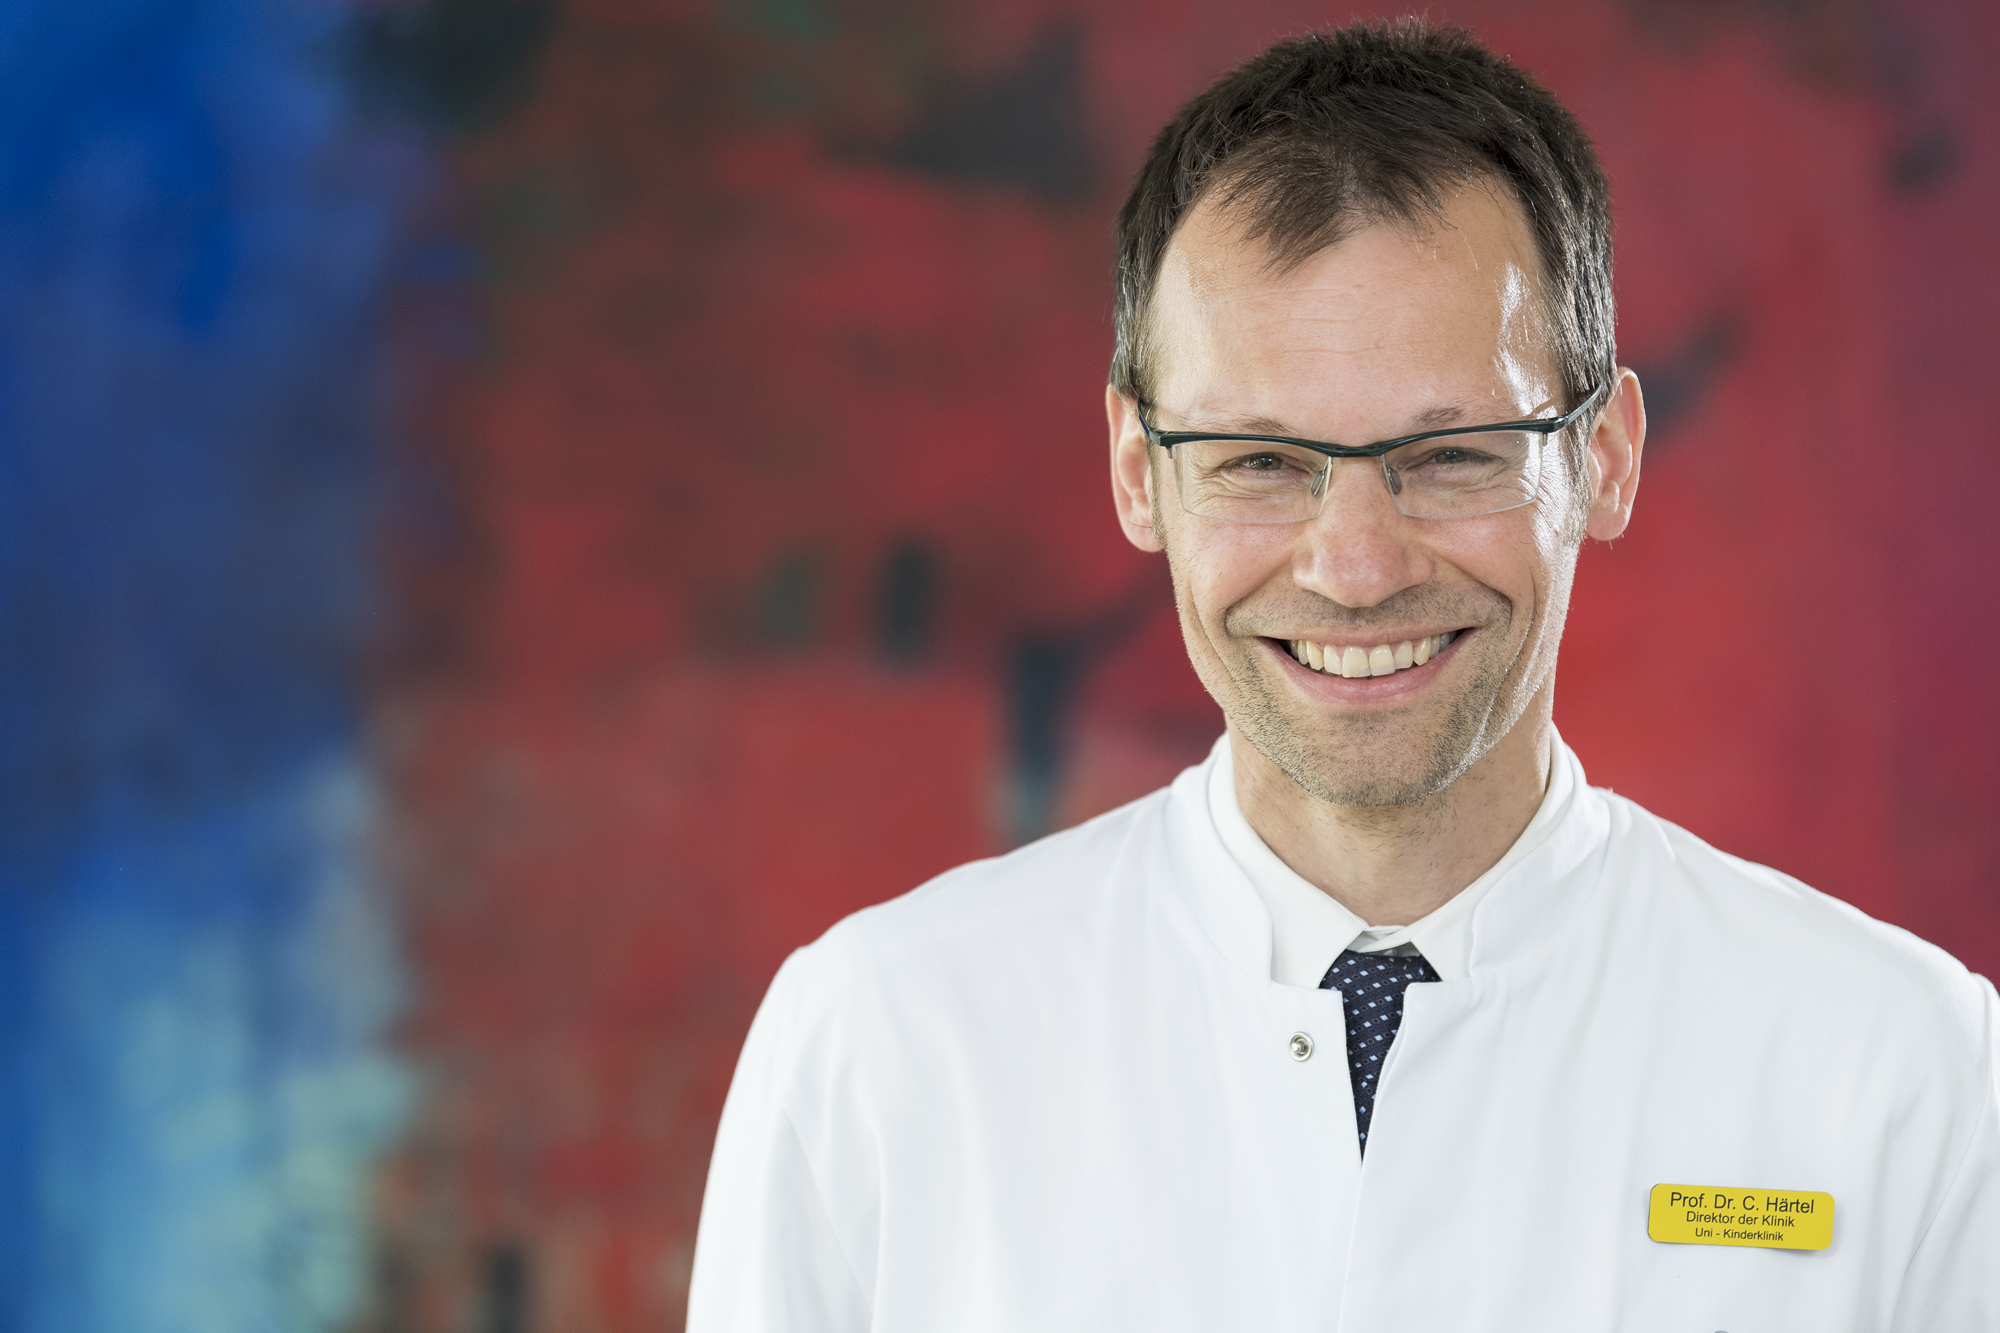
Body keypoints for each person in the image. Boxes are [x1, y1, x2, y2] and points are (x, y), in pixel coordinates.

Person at [687, 20, 1999, 1331]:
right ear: (1139, 474)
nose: (1357, 569)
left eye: (1455, 455)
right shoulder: (884, 1047)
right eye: (1260, 461)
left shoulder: (1903, 1071)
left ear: (1604, 457)